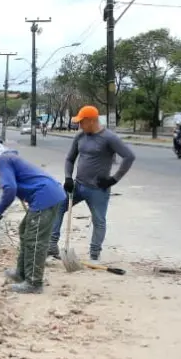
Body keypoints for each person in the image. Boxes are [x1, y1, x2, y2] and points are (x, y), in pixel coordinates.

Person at [50, 105, 135, 262]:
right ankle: (51, 246)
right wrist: (68, 178)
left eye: (81, 122)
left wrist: (113, 179)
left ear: (91, 121)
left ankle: (94, 255)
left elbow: (129, 156)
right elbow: (70, 159)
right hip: (78, 186)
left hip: (98, 190)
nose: (79, 125)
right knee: (57, 207)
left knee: (99, 221)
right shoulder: (80, 136)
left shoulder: (109, 138)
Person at [0, 142, 68, 294]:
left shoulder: (1, 161)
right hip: (46, 195)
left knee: (35, 239)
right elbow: (8, 192)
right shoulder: (9, 159)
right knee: (25, 230)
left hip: (45, 196)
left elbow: (10, 189)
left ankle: (34, 282)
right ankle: (21, 273)